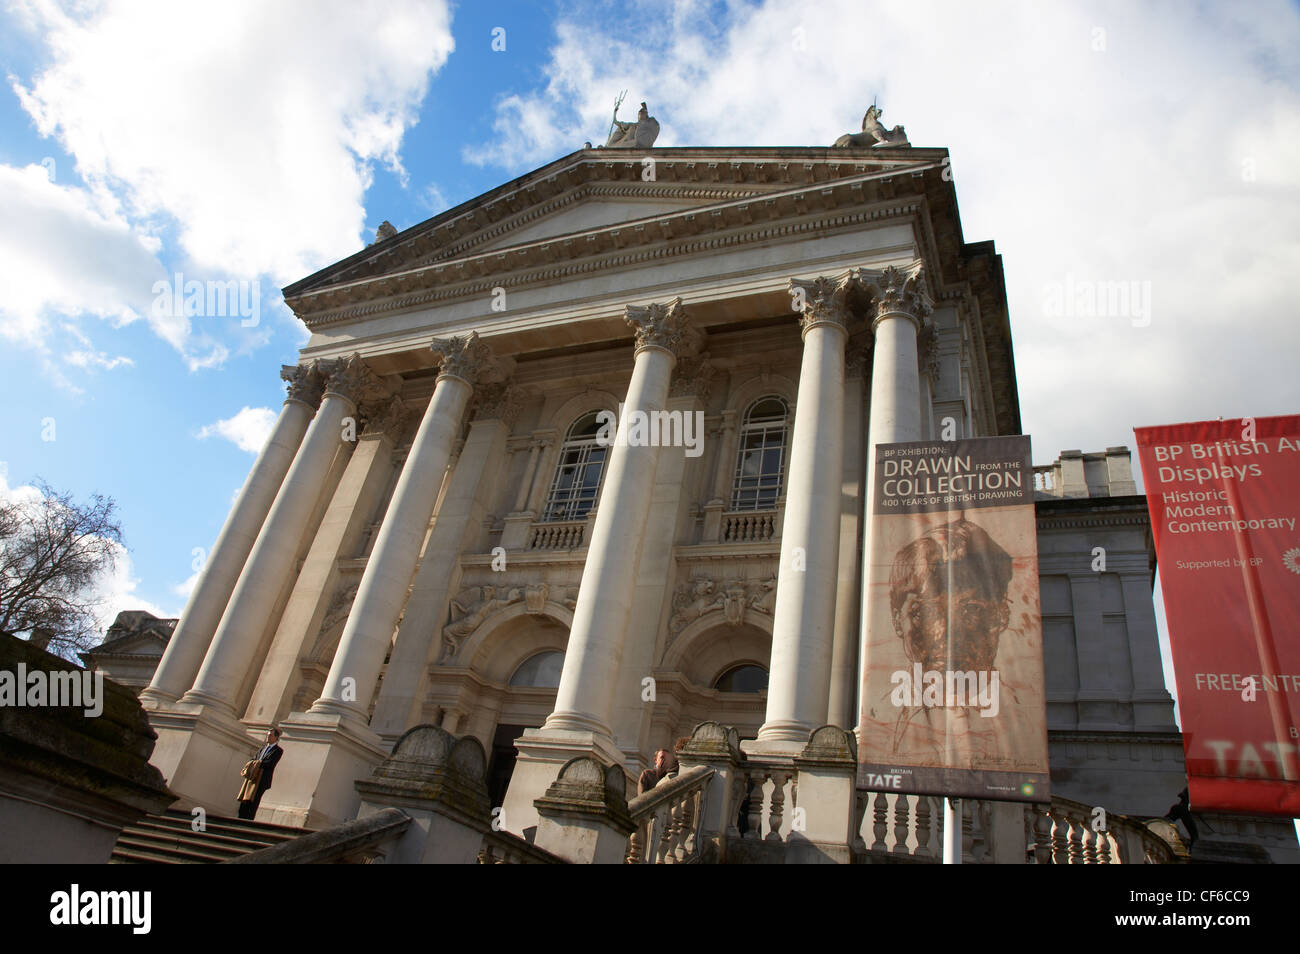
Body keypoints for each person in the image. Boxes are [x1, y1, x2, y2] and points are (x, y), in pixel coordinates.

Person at [237, 727, 283, 820]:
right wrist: (254, 763)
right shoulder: (262, 749)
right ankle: (241, 816)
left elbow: (270, 763)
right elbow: (253, 759)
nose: (268, 737)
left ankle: (248, 819)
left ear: (276, 738)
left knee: (254, 800)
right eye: (267, 735)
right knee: (245, 798)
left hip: (262, 779)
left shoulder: (278, 750)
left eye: (270, 735)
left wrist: (257, 763)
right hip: (252, 777)